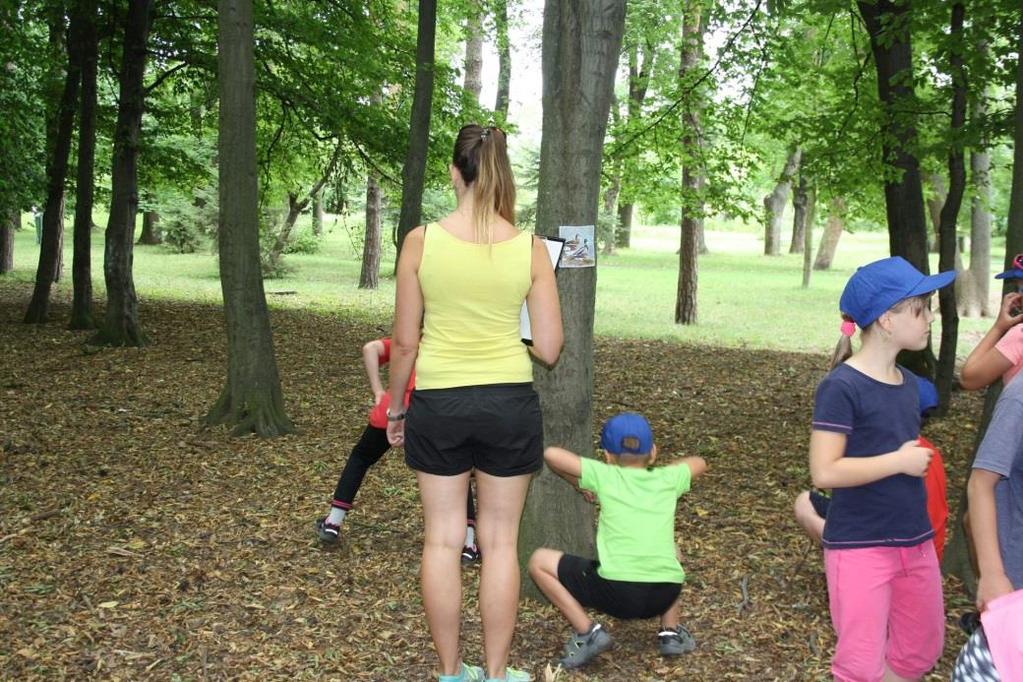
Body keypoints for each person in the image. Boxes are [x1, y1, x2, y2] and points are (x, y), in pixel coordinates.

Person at [385, 124, 563, 682]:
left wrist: (395, 409)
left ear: (453, 172)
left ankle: (450, 672)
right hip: (508, 401)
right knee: (500, 542)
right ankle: (496, 672)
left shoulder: (421, 240)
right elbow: (551, 349)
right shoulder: (530, 247)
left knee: (441, 538)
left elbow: (406, 341)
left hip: (438, 402)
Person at [809, 256, 954, 682]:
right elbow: (824, 472)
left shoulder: (910, 386)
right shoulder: (842, 386)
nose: (930, 318)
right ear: (887, 320)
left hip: (916, 542)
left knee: (920, 651)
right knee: (859, 664)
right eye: (920, 308)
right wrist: (898, 462)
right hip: (860, 547)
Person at [527, 413, 706, 670]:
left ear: (608, 456)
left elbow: (552, 454)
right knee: (671, 550)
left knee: (538, 561)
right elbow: (699, 461)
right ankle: (670, 632)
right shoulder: (668, 479)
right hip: (665, 594)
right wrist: (666, 471)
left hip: (619, 596)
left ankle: (588, 632)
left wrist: (579, 482)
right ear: (653, 452)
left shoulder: (604, 476)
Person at [315, 337, 480, 563]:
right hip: (432, 413)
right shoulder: (454, 341)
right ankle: (468, 543)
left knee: (361, 457)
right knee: (454, 471)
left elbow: (370, 348)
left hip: (393, 409)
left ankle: (334, 521)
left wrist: (378, 392)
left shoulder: (410, 340)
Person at [794, 376, 949, 562]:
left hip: (895, 547)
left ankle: (839, 549)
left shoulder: (887, 452)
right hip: (929, 548)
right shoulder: (930, 451)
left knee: (804, 504)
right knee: (806, 500)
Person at [960, 254, 1023, 390]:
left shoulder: (1019, 336)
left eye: (1021, 289)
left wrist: (998, 328)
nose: (1018, 296)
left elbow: (968, 379)